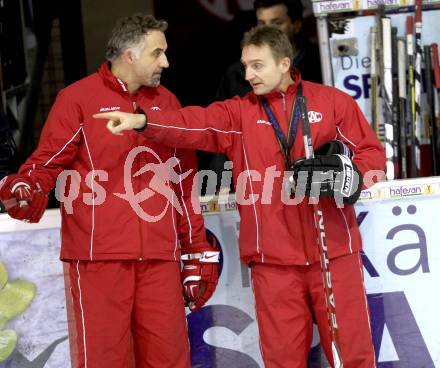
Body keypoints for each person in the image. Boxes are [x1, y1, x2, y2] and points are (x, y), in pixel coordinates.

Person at [96, 25, 385, 368]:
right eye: (245, 65)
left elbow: (372, 158)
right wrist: (143, 121)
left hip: (333, 254)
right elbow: (192, 123)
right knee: (282, 360)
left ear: (284, 64)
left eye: (257, 65)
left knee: (353, 355)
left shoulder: (332, 102)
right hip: (273, 262)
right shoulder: (239, 113)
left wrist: (345, 173)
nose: (248, 74)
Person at [0, 14, 219, 368]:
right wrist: (26, 187)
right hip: (98, 261)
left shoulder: (167, 102)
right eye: (157, 53)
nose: (165, 61)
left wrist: (196, 249)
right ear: (130, 55)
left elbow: (184, 184)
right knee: (104, 360)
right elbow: (46, 163)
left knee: (169, 359)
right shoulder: (78, 99)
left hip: (159, 261)